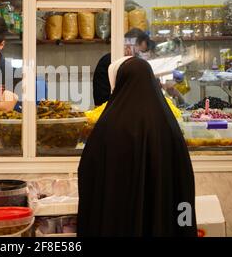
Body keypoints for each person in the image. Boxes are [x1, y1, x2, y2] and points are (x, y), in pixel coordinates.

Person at [78, 56, 197, 237]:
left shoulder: (108, 125)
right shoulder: (168, 123)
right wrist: (184, 224)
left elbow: (89, 170)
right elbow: (183, 180)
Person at [92, 28, 156, 106]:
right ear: (129, 46)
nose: (141, 57)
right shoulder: (110, 62)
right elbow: (102, 99)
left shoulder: (131, 64)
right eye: (140, 52)